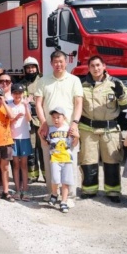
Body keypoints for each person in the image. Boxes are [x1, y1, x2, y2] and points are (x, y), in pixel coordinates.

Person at [78, 56, 127, 203]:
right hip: (88, 128)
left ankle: (113, 191)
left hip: (110, 130)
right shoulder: (82, 85)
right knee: (88, 160)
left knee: (112, 160)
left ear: (104, 66)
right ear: (88, 68)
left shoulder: (115, 83)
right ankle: (89, 190)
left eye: (98, 65)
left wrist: (120, 94)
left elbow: (126, 103)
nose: (96, 68)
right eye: (92, 66)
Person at [35, 51, 83, 204]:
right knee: (50, 161)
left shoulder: (74, 80)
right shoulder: (43, 81)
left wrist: (74, 123)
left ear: (66, 62)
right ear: (51, 63)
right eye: (55, 62)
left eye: (61, 61)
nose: (58, 64)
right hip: (49, 128)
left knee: (70, 161)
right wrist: (43, 123)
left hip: (68, 128)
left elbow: (78, 103)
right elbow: (38, 103)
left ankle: (69, 196)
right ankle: (52, 193)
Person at [47, 107, 78, 214]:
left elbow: (73, 144)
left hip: (67, 159)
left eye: (58, 117)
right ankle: (54, 194)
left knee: (65, 181)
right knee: (55, 179)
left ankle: (63, 201)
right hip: (55, 158)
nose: (56, 119)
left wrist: (77, 137)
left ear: (64, 117)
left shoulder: (68, 129)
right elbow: (47, 142)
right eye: (54, 117)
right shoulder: (50, 129)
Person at [18, 56, 42, 184]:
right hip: (27, 121)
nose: (31, 70)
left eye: (33, 67)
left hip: (41, 119)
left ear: (37, 68)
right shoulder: (21, 84)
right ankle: (33, 175)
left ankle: (46, 174)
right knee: (31, 149)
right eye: (28, 68)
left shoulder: (43, 81)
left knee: (43, 148)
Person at [10, 84, 32, 201]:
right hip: (12, 138)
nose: (17, 95)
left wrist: (26, 106)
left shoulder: (25, 104)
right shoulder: (9, 104)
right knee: (15, 165)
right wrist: (15, 118)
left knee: (24, 164)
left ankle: (25, 190)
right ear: (12, 93)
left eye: (19, 93)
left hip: (24, 137)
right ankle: (18, 190)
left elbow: (29, 119)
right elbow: (8, 121)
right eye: (15, 93)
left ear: (22, 94)